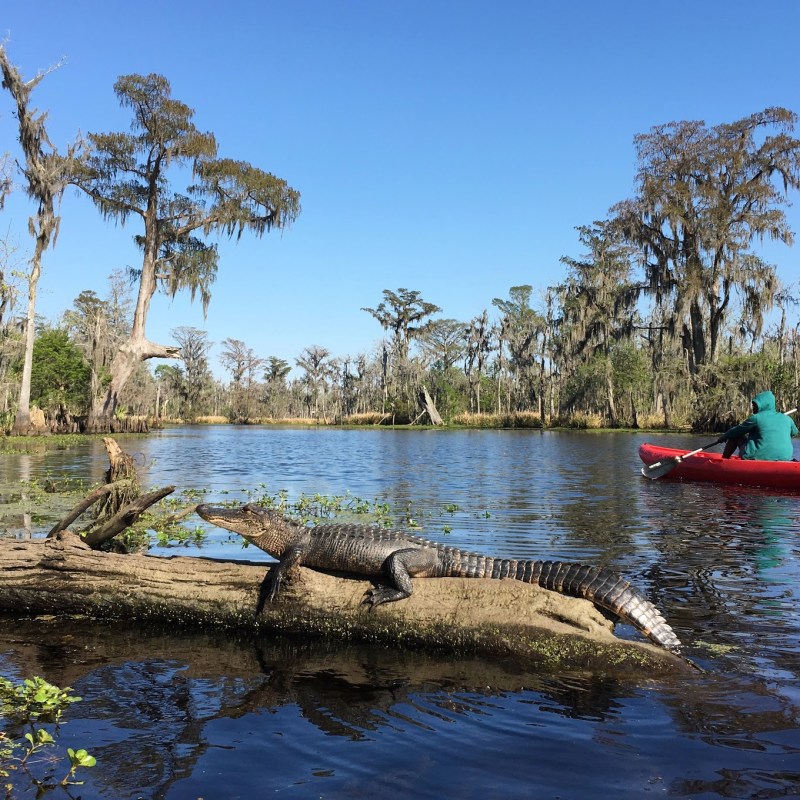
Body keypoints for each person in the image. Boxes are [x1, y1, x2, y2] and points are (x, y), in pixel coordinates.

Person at [718, 390, 798, 461]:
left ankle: (723, 463)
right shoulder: (787, 419)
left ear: (763, 405)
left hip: (757, 457)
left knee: (735, 436)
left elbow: (736, 431)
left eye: (755, 405)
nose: (753, 408)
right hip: (785, 458)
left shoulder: (756, 418)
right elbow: (795, 432)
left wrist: (723, 437)